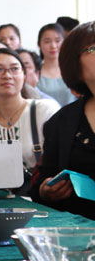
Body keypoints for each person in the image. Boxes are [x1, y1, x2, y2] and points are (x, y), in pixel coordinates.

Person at [0, 48, 58, 183]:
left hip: (39, 195)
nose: (7, 75)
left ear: (24, 75)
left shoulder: (44, 110)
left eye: (14, 69)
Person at [32, 21, 95, 220]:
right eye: (93, 48)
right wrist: (46, 190)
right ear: (75, 65)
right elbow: (43, 180)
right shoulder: (62, 121)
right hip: (81, 234)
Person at [36, 23, 76, 106]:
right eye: (47, 41)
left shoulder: (73, 69)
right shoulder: (34, 72)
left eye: (58, 41)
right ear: (39, 44)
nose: (53, 46)